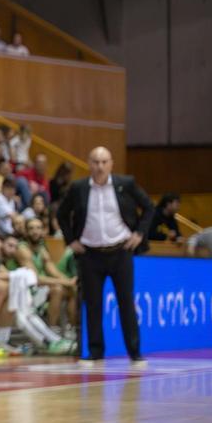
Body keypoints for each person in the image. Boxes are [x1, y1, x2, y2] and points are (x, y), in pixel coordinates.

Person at [56, 147, 153, 368]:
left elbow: (148, 207)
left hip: (120, 252)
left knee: (126, 302)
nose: (99, 166)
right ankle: (95, 352)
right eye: (95, 162)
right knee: (92, 304)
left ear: (111, 164)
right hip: (90, 255)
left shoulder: (125, 184)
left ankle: (135, 352)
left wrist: (138, 234)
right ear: (89, 164)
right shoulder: (79, 188)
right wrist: (71, 240)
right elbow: (61, 214)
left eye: (104, 162)